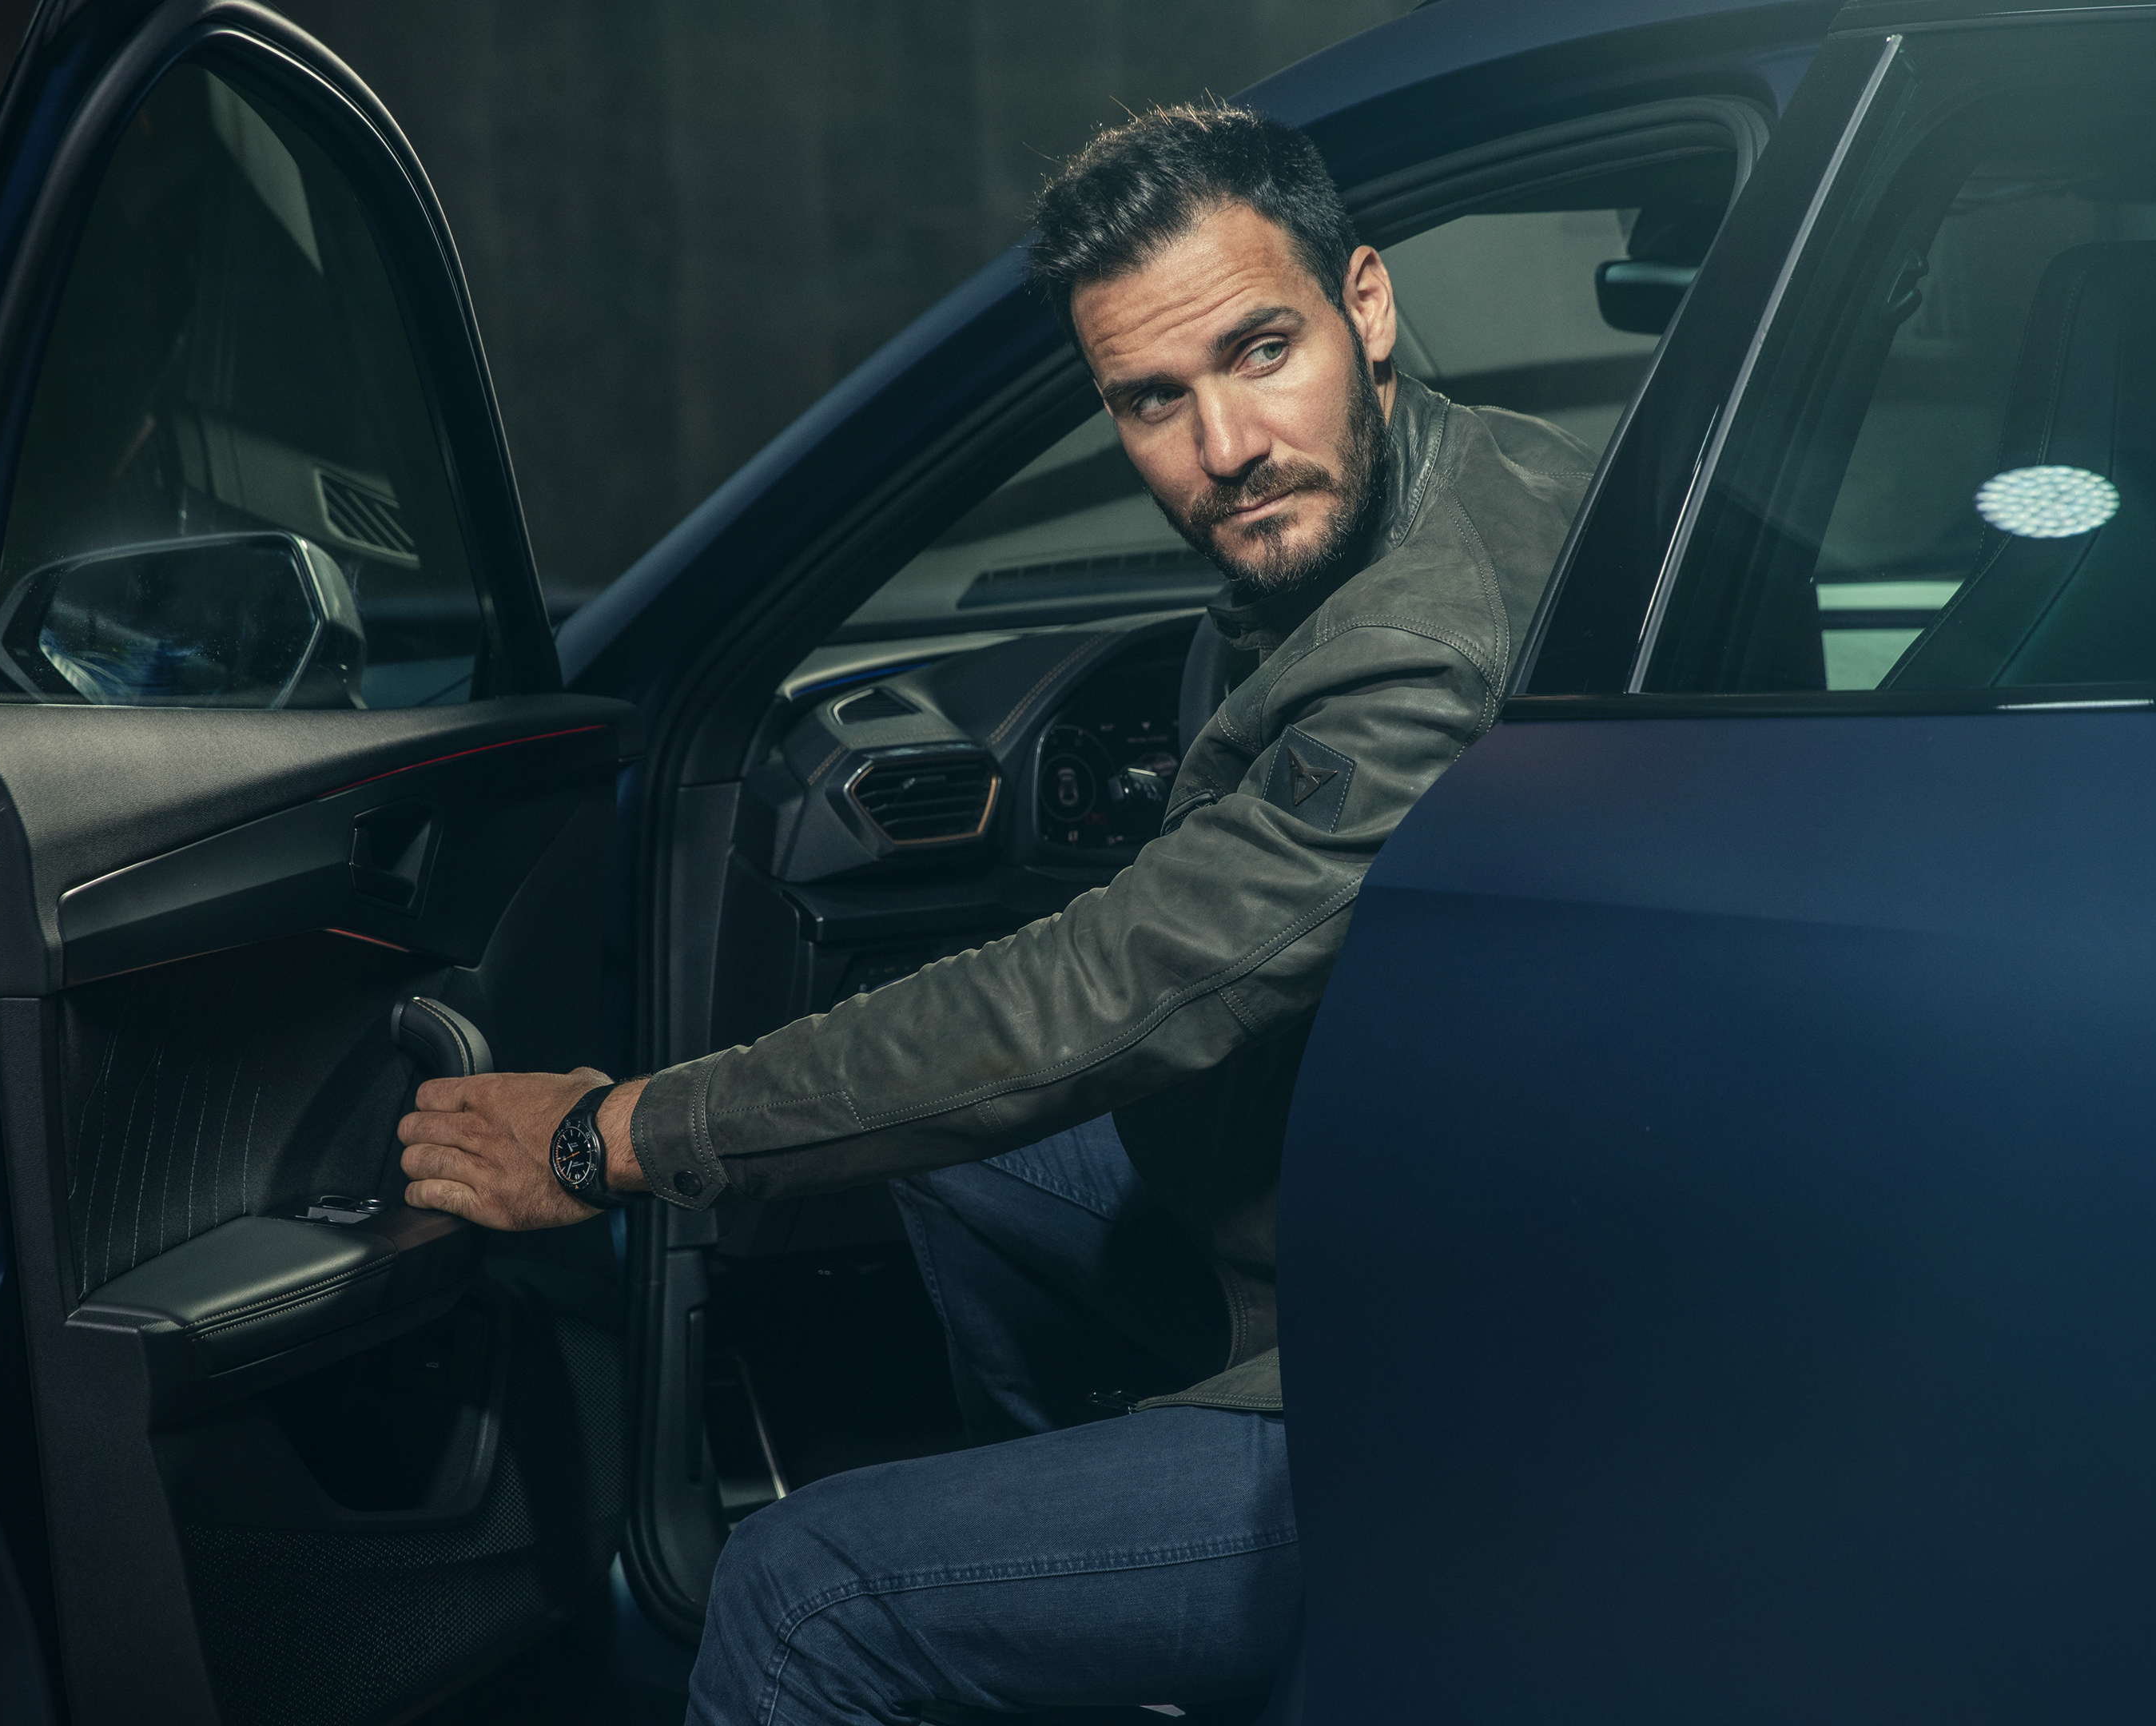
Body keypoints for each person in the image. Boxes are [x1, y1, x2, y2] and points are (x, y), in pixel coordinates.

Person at [397, 102, 1595, 1723]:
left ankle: (1072, 1595)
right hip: (1427, 1204)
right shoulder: (1514, 474)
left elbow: (1097, 995)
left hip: (1421, 1381)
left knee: (797, 1596)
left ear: (1365, 305)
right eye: (1152, 399)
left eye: (1261, 352)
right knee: (968, 1161)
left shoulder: (1418, 659)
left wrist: (612, 1134)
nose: (1225, 445)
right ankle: (1071, 1640)